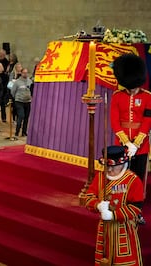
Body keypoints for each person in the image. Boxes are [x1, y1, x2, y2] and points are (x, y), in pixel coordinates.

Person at [84, 145, 143, 265]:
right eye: (107, 166)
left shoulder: (133, 180)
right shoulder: (100, 177)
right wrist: (98, 205)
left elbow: (135, 208)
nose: (109, 170)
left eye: (112, 166)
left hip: (124, 231)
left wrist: (113, 215)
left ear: (122, 164)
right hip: (104, 230)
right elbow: (88, 198)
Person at [110, 53, 151, 225]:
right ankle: (122, 209)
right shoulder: (117, 97)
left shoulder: (148, 96)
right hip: (122, 145)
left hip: (140, 146)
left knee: (138, 179)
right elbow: (114, 120)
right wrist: (126, 142)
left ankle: (136, 212)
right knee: (122, 178)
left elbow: (147, 120)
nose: (133, 89)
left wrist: (137, 143)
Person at [10, 68, 32, 137]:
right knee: (21, 116)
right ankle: (17, 132)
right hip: (19, 101)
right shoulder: (17, 82)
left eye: (26, 73)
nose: (25, 74)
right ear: (21, 73)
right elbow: (12, 91)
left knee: (26, 117)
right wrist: (17, 97)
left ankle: (24, 132)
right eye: (24, 73)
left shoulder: (30, 81)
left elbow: (32, 90)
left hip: (27, 101)